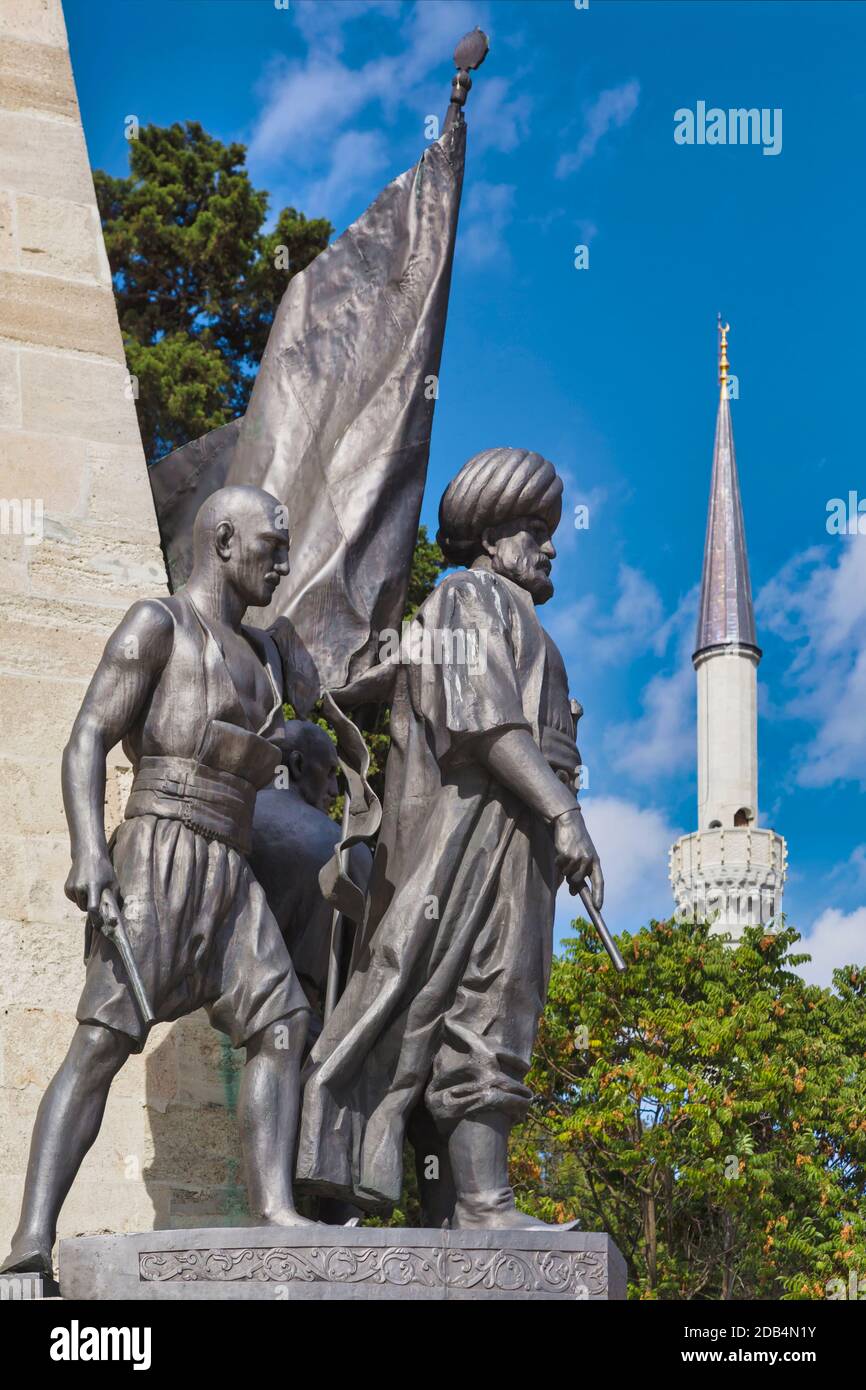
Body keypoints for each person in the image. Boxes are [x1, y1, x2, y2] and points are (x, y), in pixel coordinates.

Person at [2, 485, 315, 1280]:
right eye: (269, 545)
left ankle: (276, 1208)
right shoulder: (159, 624)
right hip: (157, 851)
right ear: (220, 542)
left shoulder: (269, 656)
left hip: (231, 869)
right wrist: (88, 853)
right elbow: (87, 737)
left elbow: (266, 753)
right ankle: (32, 1235)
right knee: (102, 1043)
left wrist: (301, 739)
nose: (281, 560)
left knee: (281, 1024)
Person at [296, 447, 604, 1229]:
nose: (550, 545)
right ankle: (481, 1203)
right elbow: (486, 724)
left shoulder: (519, 617)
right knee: (480, 998)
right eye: (534, 529)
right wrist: (564, 814)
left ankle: (469, 1203)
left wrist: (559, 813)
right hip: (474, 837)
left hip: (519, 836)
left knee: (507, 1003)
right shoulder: (466, 598)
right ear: (493, 540)